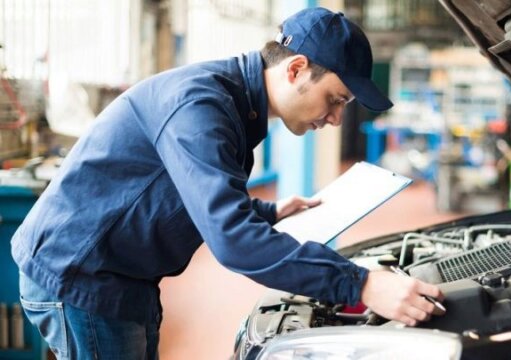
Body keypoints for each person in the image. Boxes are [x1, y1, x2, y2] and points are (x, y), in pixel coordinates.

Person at [12, 7, 444, 359]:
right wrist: (363, 284)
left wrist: (270, 212)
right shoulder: (202, 106)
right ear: (295, 69)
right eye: (335, 100)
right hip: (82, 274)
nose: (334, 119)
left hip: (124, 274)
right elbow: (233, 242)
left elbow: (187, 193)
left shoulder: (237, 106)